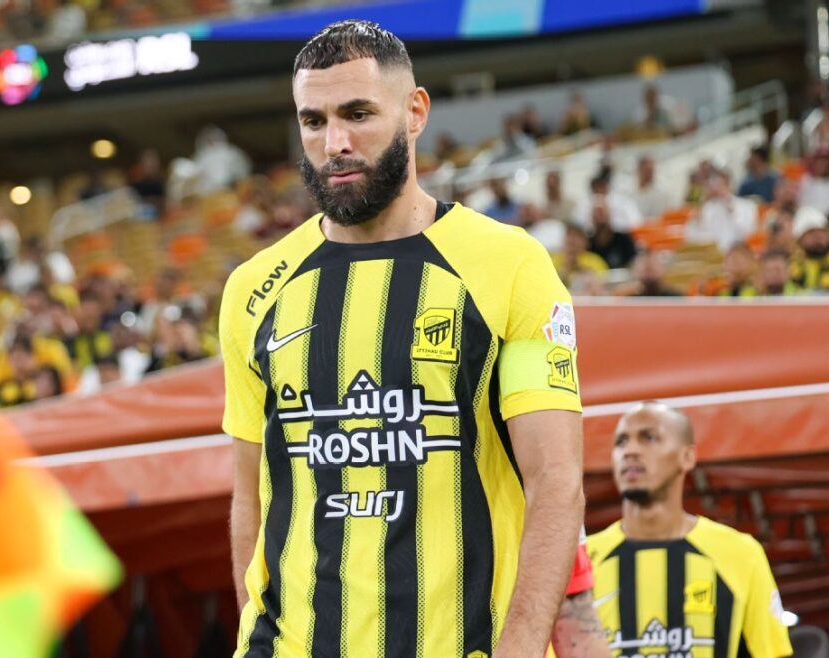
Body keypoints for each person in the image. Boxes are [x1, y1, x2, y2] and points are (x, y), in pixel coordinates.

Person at [220, 20, 599, 658]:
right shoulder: (253, 288)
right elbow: (249, 493)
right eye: (313, 121)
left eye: (357, 114)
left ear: (415, 112)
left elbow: (556, 480)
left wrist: (521, 647)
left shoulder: (509, 265)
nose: (335, 143)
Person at [587, 402, 794, 658]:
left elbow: (772, 653)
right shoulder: (582, 560)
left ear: (687, 457)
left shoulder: (740, 553)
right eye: (621, 442)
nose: (630, 451)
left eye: (648, 438)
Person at [631, 155, 674, 220]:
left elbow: (659, 217)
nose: (649, 174)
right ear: (639, 170)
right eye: (646, 171)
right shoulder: (633, 191)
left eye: (651, 171)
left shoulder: (660, 192)